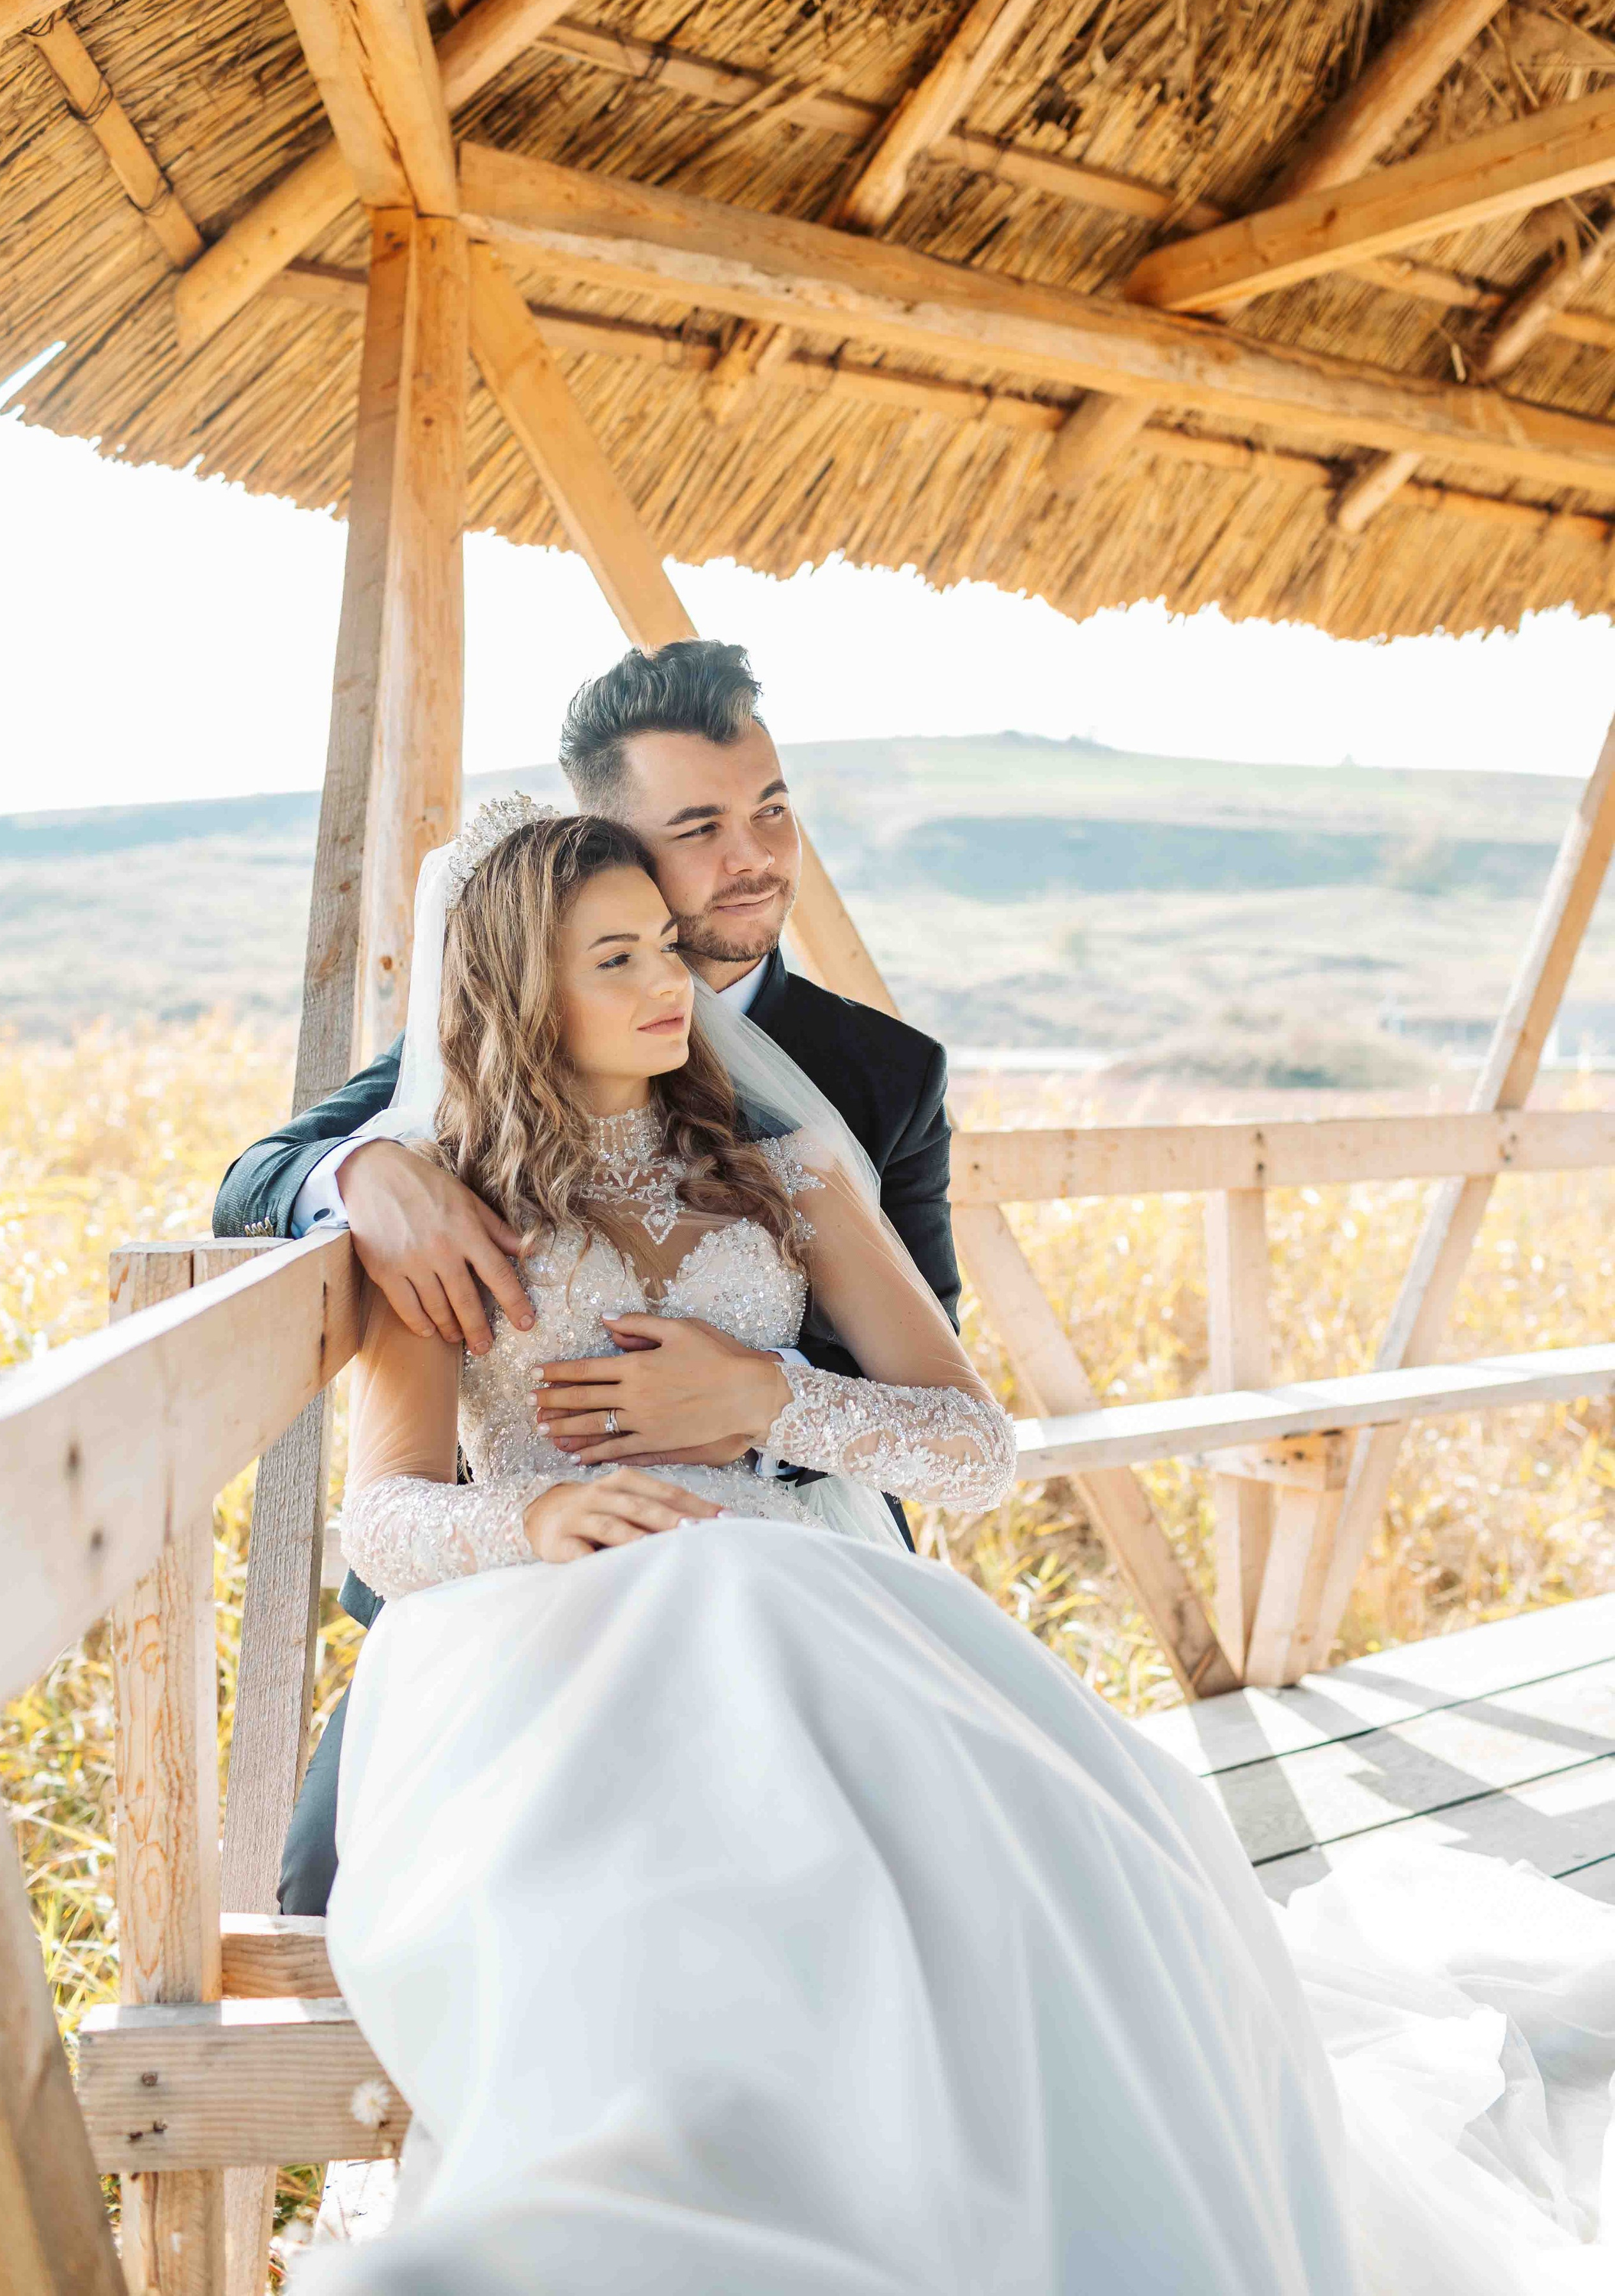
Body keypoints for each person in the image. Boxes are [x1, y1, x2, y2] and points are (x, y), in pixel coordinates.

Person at [291, 799, 1361, 2296]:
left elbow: (972, 1450)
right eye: (615, 959)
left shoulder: (786, 1178)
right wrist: (533, 1516)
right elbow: (386, 1514)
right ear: (517, 990)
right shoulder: (453, 1223)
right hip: (555, 1627)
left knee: (1071, 1832)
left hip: (796, 1583)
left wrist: (760, 1400)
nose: (670, 982)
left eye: (664, 944)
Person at [215, 642, 956, 1913]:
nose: (754, 857)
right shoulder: (500, 1021)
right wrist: (371, 1179)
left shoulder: (879, 1074)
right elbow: (262, 1176)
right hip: (515, 1586)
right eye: (700, 826)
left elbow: (933, 1359)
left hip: (790, 1550)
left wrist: (750, 1402)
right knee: (330, 1893)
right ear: (600, 847)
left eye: (770, 809)